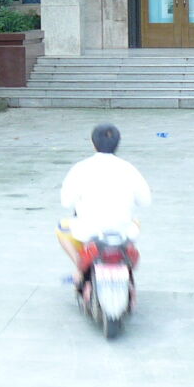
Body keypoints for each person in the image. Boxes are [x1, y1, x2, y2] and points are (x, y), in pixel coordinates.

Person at [57, 123, 152, 292]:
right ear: (118, 143)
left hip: (89, 230)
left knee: (61, 228)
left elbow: (66, 202)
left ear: (93, 143)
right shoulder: (129, 169)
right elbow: (145, 201)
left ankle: (80, 269)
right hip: (122, 230)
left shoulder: (80, 169)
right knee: (136, 221)